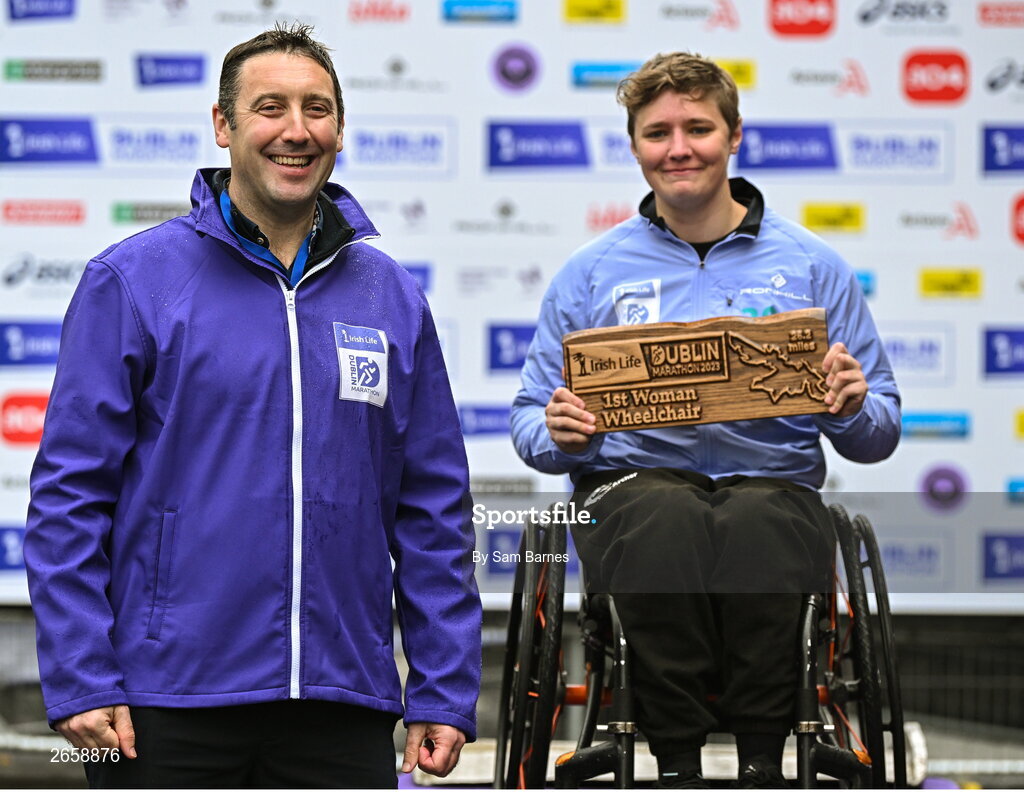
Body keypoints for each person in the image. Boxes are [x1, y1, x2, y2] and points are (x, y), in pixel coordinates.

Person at [24, 23, 480, 789]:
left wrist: (442, 685)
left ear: (340, 129)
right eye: (271, 108)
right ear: (224, 125)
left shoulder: (391, 296)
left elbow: (432, 508)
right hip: (162, 702)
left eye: (317, 109)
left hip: (344, 696)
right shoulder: (133, 281)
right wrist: (81, 674)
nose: (296, 131)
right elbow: (71, 495)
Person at [510, 53, 900, 789]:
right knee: (663, 512)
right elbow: (531, 423)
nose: (679, 147)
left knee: (755, 516)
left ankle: (761, 761)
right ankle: (679, 765)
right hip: (631, 486)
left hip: (771, 486)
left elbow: (879, 433)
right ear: (634, 147)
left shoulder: (814, 266)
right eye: (658, 132)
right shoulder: (589, 273)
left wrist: (850, 406)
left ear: (734, 136)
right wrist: (556, 431)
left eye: (698, 127)